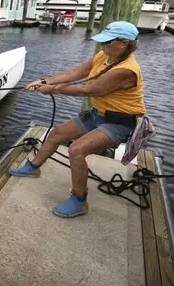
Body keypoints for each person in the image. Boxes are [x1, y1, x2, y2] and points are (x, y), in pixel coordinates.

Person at [9, 21, 145, 218]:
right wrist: (45, 81)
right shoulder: (104, 55)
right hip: (98, 114)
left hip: (119, 122)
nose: (103, 46)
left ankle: (79, 200)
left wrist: (52, 90)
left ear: (124, 43)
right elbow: (76, 74)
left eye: (107, 42)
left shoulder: (127, 70)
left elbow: (88, 90)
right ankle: (32, 168)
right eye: (102, 42)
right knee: (57, 134)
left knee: (76, 149)